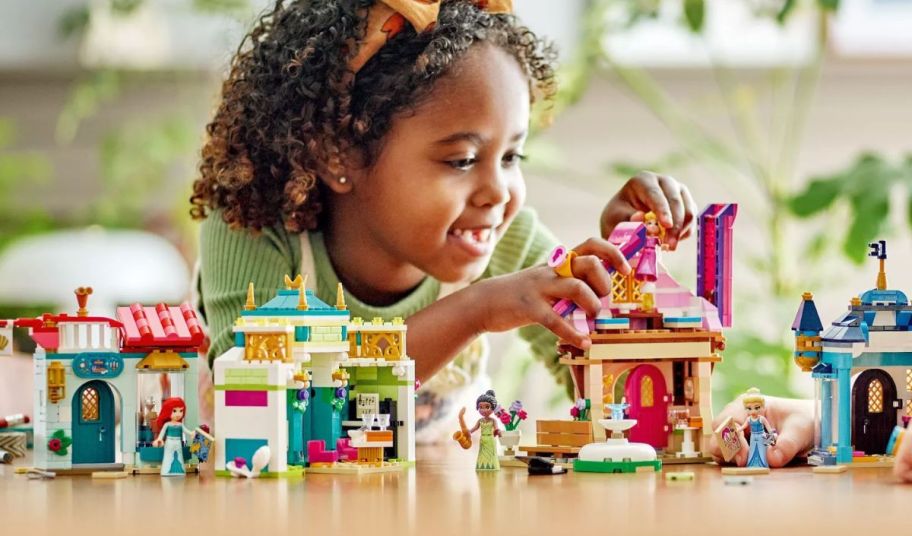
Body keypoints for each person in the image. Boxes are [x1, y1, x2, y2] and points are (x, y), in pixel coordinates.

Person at [190, 0, 697, 440]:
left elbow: (614, 398)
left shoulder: (501, 240)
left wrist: (624, 274)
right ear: (335, 154)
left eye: (512, 157)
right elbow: (260, 412)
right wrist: (473, 311)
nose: (498, 192)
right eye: (461, 160)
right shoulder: (255, 231)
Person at [153, 397, 195, 476]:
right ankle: (166, 471)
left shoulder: (180, 425)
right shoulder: (167, 424)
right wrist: (159, 439)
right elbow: (161, 434)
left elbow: (187, 431)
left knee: (179, 455)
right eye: (175, 411)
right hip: (169, 442)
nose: (178, 414)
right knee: (168, 456)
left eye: (181, 411)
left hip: (178, 443)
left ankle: (180, 471)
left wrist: (192, 433)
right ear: (167, 412)